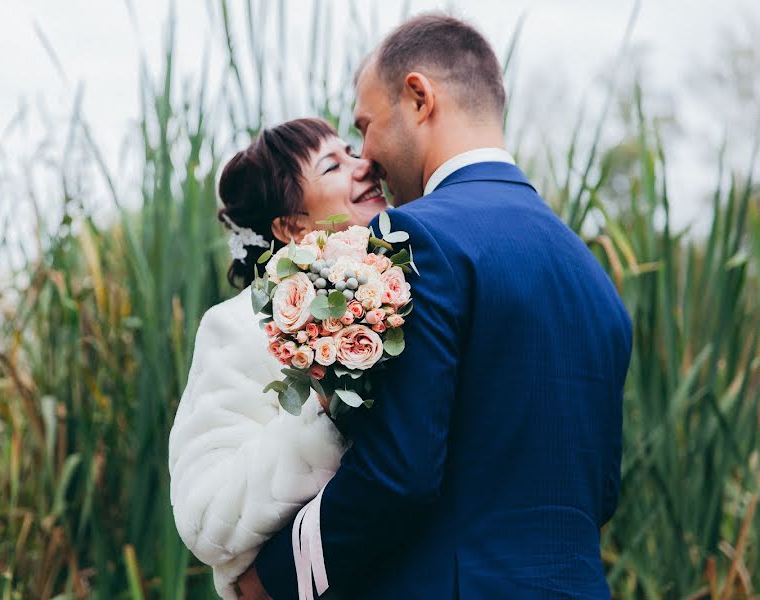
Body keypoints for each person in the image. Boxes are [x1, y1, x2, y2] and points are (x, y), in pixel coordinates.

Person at [237, 13, 633, 599]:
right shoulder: (595, 281)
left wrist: (274, 581)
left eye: (366, 125)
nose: (366, 156)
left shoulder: (415, 238)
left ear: (418, 98)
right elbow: (598, 494)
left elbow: (399, 475)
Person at [168, 118, 389, 600]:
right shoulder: (241, 326)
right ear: (291, 226)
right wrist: (327, 419)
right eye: (334, 165)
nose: (364, 164)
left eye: (352, 151)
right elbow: (205, 515)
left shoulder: (409, 289)